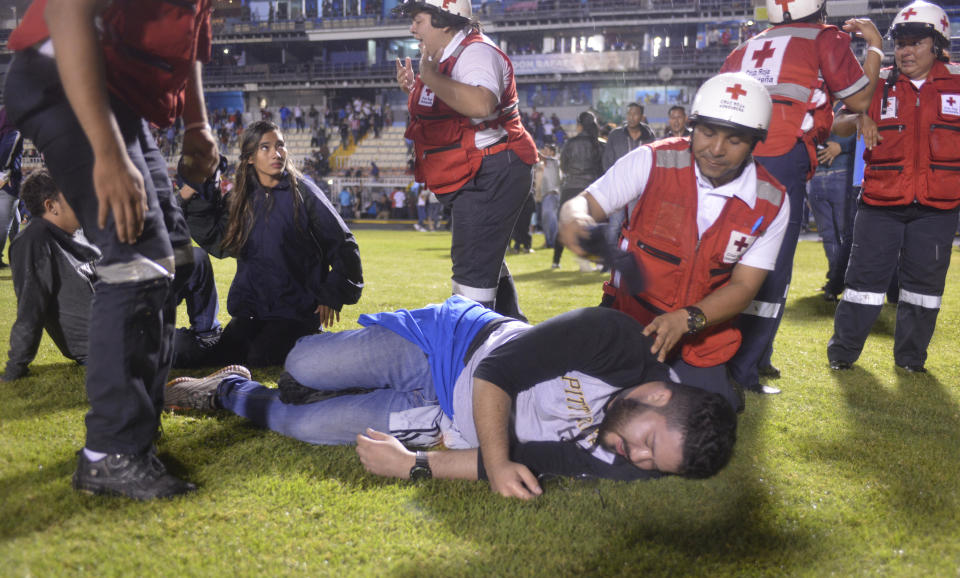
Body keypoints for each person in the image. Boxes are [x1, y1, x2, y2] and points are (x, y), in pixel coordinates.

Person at [165, 296, 738, 500]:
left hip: (445, 420)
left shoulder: (639, 465)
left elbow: (522, 464)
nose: (636, 459)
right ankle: (312, 377)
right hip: (457, 348)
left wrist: (414, 465)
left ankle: (228, 390)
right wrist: (495, 460)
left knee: (304, 428)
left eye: (650, 465)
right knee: (302, 361)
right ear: (658, 393)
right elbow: (496, 376)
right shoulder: (612, 339)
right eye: (646, 445)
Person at [5, 0, 220, 500]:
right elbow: (65, 9)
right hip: (64, 77)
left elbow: (191, 38)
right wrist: (105, 151)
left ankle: (137, 434)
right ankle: (110, 453)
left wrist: (197, 125)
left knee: (175, 260)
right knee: (137, 261)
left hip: (117, 93)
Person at [558, 73, 788, 413]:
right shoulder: (652, 160)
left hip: (701, 332)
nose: (717, 149)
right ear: (693, 127)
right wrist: (575, 220)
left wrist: (685, 320)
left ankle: (714, 382)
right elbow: (584, 202)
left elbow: (743, 286)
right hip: (629, 318)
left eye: (735, 140)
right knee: (593, 404)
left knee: (700, 415)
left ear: (755, 142)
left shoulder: (772, 201)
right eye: (708, 133)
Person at [720, 0, 883, 393]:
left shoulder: (745, 46)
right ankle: (746, 367)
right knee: (773, 264)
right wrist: (875, 47)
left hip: (732, 157)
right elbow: (859, 99)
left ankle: (738, 355)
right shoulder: (825, 37)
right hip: (781, 155)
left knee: (729, 253)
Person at [828, 1, 958, 373]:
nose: (905, 50)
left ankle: (911, 360)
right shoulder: (877, 82)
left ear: (937, 44)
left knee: (924, 290)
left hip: (938, 208)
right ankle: (842, 354)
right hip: (880, 202)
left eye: (916, 42)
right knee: (862, 284)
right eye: (901, 42)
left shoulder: (958, 83)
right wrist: (859, 117)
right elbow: (835, 124)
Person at [178, 120, 364, 368]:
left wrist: (332, 294)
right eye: (265, 147)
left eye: (280, 146)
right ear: (250, 158)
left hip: (295, 312)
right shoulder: (240, 197)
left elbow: (343, 244)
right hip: (251, 311)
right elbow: (220, 239)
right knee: (221, 358)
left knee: (260, 359)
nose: (277, 153)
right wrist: (195, 193)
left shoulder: (303, 192)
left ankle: (317, 341)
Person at [4, 170, 222, 380]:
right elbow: (30, 309)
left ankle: (207, 334)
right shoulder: (33, 240)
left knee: (193, 258)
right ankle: (203, 343)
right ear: (51, 206)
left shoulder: (77, 230)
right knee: (195, 350)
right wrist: (16, 366)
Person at [395, 0, 537, 320]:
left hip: (491, 171)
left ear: (445, 21)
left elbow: (481, 103)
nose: (412, 28)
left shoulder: (476, 53)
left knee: (473, 270)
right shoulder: (448, 56)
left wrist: (429, 78)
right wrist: (416, 86)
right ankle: (517, 337)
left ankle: (475, 357)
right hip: (483, 170)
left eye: (419, 20)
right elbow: (450, 111)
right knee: (485, 261)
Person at [806, 119, 856, 301]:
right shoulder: (821, 106)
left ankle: (842, 282)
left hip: (842, 174)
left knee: (846, 235)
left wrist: (842, 146)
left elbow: (868, 135)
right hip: (818, 177)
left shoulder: (854, 107)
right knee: (828, 236)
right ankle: (835, 282)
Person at [553, 111, 603, 270]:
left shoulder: (570, 143)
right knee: (590, 226)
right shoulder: (600, 144)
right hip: (590, 189)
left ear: (579, 126)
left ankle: (556, 261)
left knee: (564, 224)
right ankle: (591, 261)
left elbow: (563, 166)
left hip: (571, 187)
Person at [602, 102, 657, 172]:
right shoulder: (615, 135)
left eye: (635, 114)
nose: (631, 117)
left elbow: (653, 161)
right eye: (629, 114)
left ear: (642, 117)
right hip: (620, 179)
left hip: (642, 180)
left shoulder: (649, 136)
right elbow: (607, 161)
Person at [538, 143, 561, 249]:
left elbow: (541, 157)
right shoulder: (546, 163)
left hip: (551, 195)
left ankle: (551, 242)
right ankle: (549, 242)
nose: (544, 151)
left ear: (552, 152)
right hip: (548, 195)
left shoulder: (553, 161)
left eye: (546, 150)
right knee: (547, 221)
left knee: (550, 220)